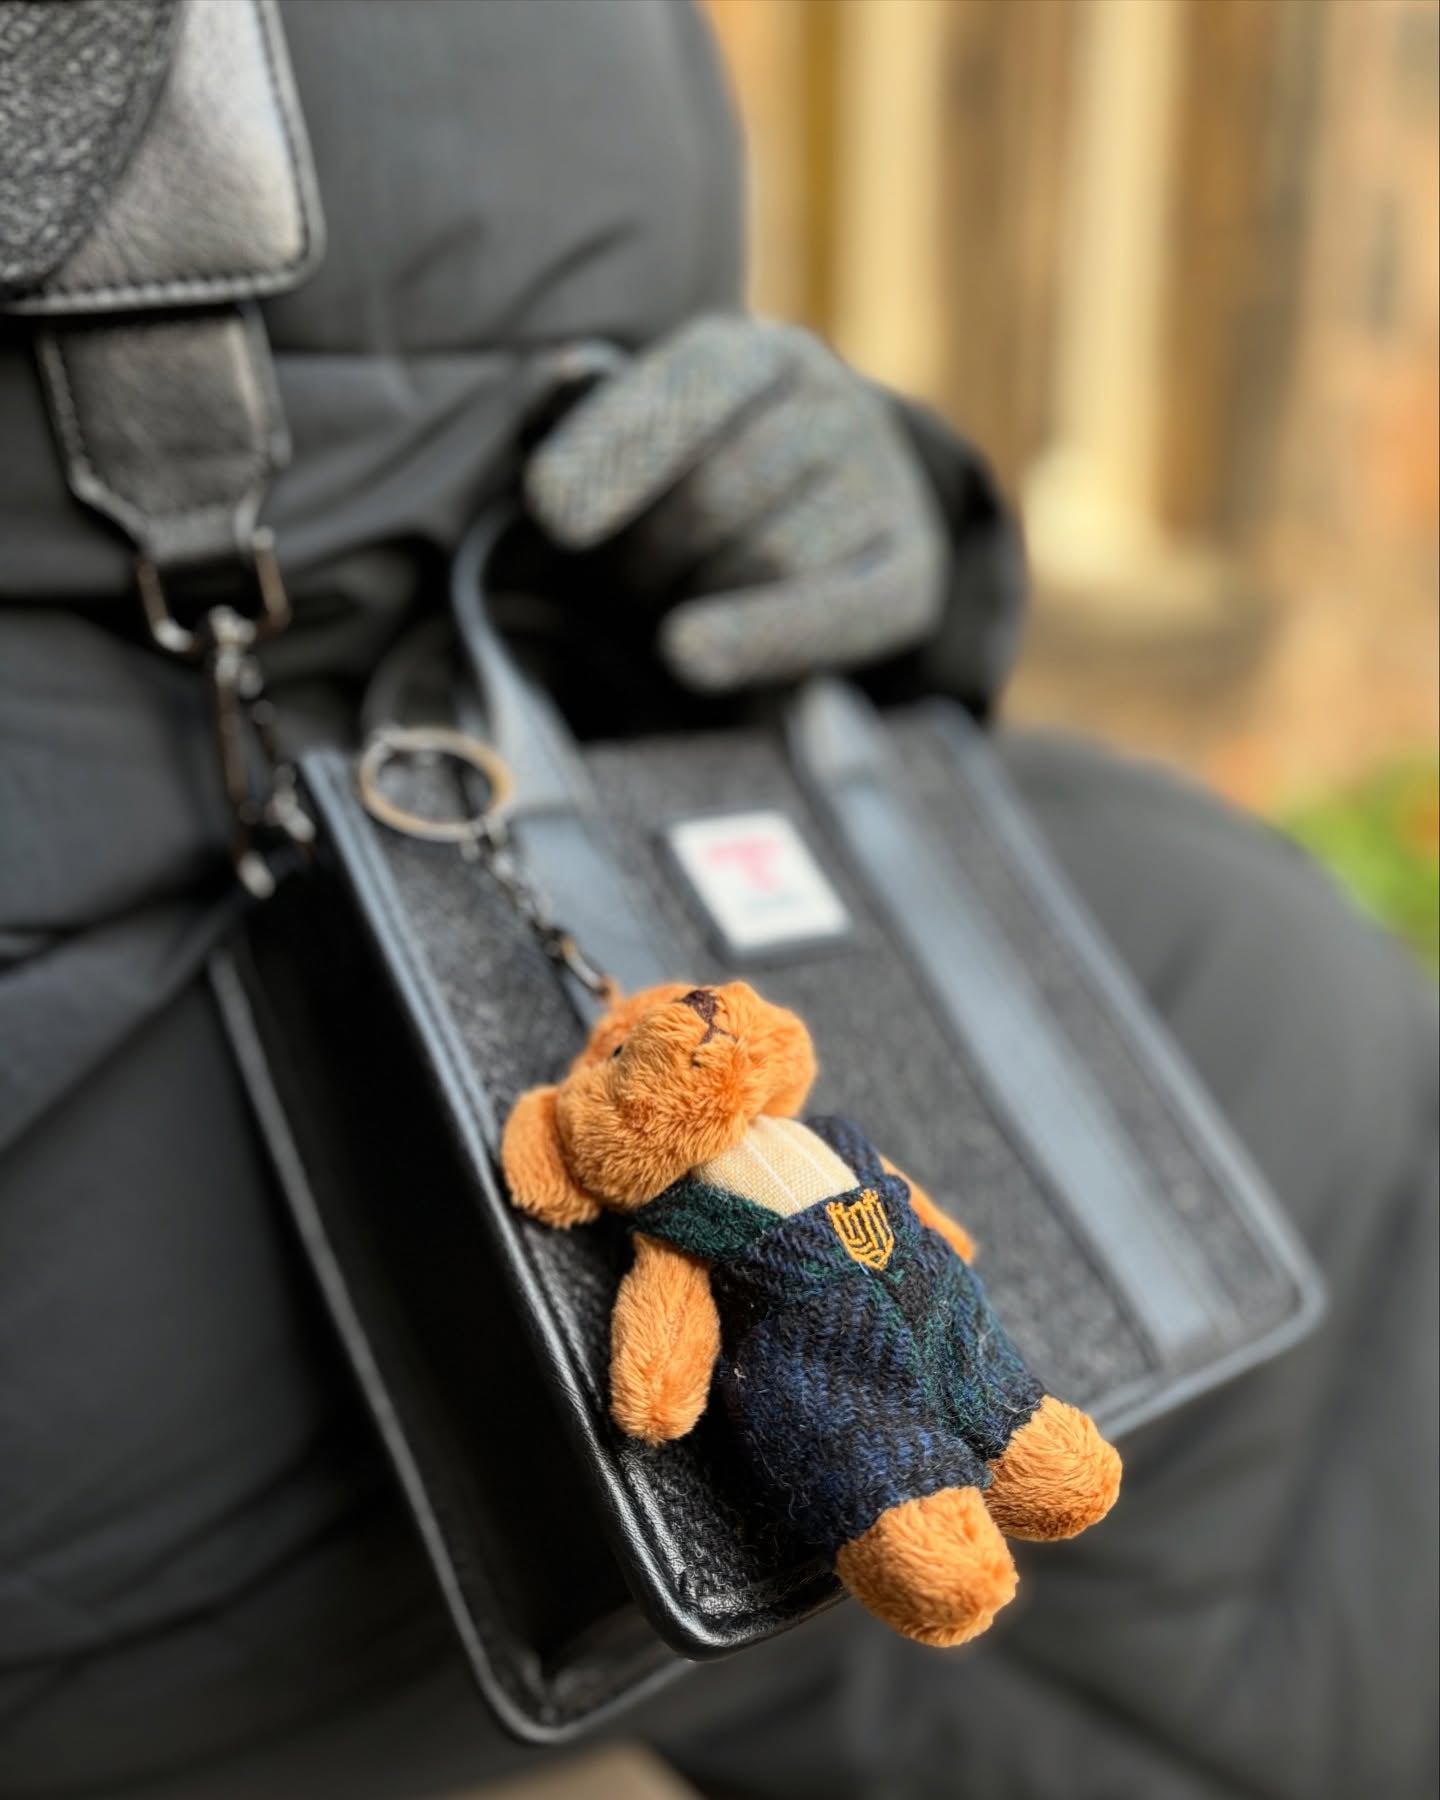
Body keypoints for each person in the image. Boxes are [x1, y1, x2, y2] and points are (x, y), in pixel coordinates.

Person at [1, 4, 1433, 1796]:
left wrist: (860, 506)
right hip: (138, 1004)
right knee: (1219, 1077)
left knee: (1236, 968)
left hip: (514, 770)